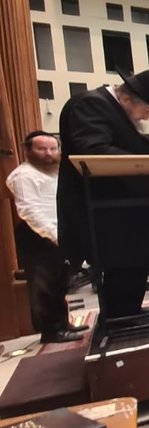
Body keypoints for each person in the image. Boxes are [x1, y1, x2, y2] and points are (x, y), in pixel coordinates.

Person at [57, 68, 149, 319]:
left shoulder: (108, 107)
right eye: (147, 110)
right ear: (125, 100)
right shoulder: (90, 104)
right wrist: (147, 161)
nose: (145, 117)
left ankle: (130, 313)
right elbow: (93, 151)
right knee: (122, 269)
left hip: (125, 212)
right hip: (109, 215)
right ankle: (120, 319)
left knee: (133, 268)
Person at [6, 131, 83, 343]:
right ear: (28, 150)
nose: (48, 153)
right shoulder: (23, 175)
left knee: (60, 283)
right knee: (44, 286)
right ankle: (50, 331)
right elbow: (29, 211)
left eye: (52, 148)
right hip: (38, 236)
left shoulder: (56, 173)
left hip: (59, 234)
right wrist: (53, 235)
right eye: (41, 149)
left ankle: (62, 324)